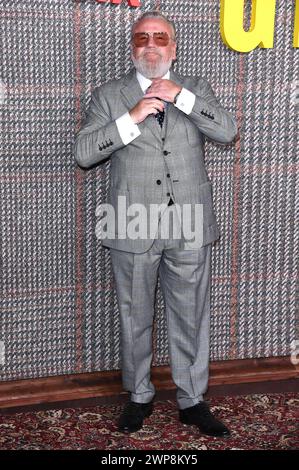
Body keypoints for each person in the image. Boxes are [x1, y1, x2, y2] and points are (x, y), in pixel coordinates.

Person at [74, 10, 237, 438]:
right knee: (134, 315)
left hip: (189, 224)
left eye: (159, 37)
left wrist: (181, 96)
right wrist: (130, 118)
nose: (150, 44)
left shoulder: (195, 89)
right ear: (132, 47)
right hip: (132, 223)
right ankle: (139, 396)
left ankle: (192, 400)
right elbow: (84, 153)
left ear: (173, 47)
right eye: (142, 37)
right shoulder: (110, 95)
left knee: (191, 314)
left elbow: (227, 131)